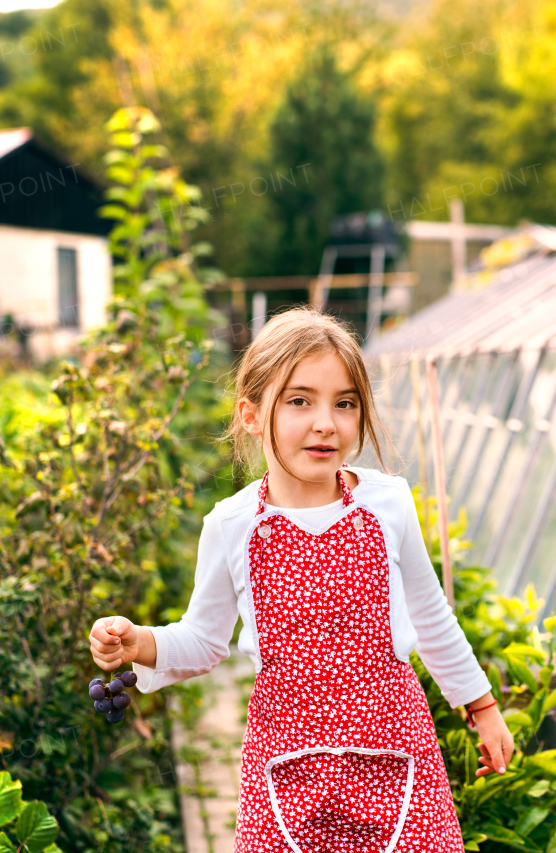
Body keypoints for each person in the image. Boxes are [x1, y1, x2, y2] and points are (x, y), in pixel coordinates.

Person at [88, 308, 512, 852]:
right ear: (250, 414)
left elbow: (431, 615)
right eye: (299, 400)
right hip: (284, 773)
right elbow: (203, 639)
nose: (325, 423)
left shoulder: (388, 503)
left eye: (345, 403)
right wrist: (139, 642)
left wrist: (483, 707)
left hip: (398, 757)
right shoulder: (233, 525)